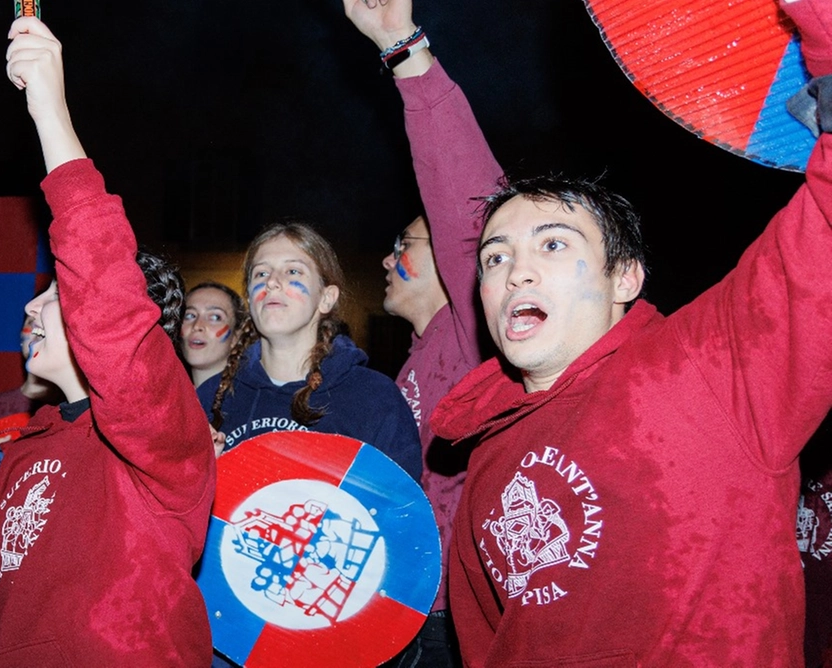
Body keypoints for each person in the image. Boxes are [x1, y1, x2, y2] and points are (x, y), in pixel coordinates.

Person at [419, 0, 832, 662]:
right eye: (495, 257)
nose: (516, 271)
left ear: (626, 279)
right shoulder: (485, 453)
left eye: (552, 245)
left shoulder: (712, 368)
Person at [0, 17, 216, 667]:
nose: (30, 304)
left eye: (56, 294)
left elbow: (107, 296)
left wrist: (50, 110)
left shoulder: (159, 430)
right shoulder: (25, 449)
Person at [341, 0, 501, 662]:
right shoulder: (408, 368)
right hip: (396, 605)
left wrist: (404, 50)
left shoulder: (475, 333)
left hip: (454, 616)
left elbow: (465, 202)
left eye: (402, 245)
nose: (385, 260)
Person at [198, 222, 421, 479]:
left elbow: (399, 510)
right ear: (249, 298)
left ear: (326, 298)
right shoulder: (210, 397)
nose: (272, 282)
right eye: (260, 274)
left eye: (292, 271)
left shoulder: (374, 399)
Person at [181, 282, 245, 387]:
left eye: (215, 317)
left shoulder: (252, 400)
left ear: (235, 337)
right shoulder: (164, 398)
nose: (197, 326)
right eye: (189, 315)